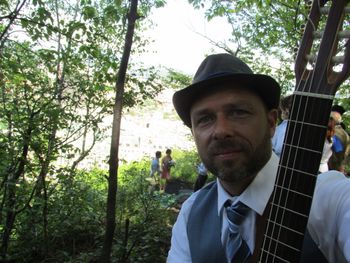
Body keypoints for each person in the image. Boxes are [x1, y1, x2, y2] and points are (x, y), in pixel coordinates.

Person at [167, 53, 350, 263]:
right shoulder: (191, 214)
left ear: (272, 123)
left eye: (238, 112)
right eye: (205, 119)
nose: (221, 131)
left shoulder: (328, 199)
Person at [328, 105, 350, 174]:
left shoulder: (333, 133)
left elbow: (337, 151)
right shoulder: (346, 135)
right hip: (339, 172)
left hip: (329, 171)